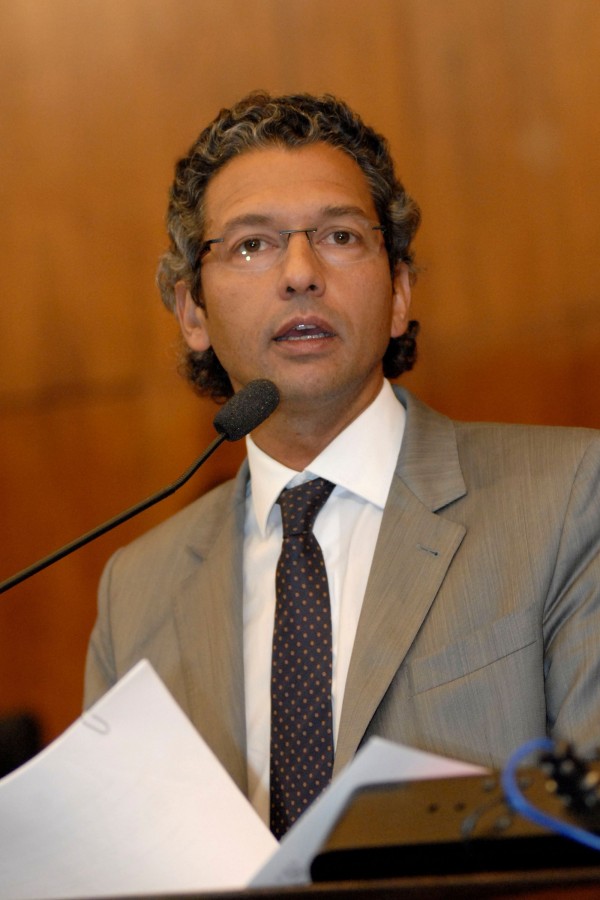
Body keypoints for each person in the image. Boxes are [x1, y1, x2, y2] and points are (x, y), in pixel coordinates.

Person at [84, 91, 600, 837]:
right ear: (191, 312)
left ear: (398, 293)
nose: (300, 273)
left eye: (340, 236)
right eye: (252, 244)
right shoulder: (136, 590)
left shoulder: (569, 500)